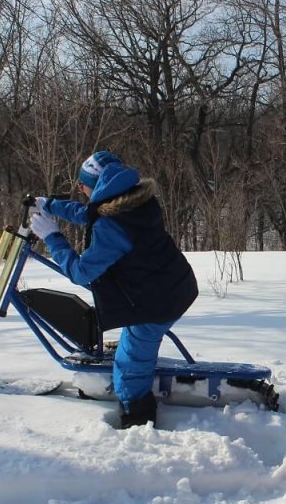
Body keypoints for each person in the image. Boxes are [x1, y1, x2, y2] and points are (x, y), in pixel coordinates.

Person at [29, 151, 199, 428]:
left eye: (82, 183)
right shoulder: (130, 202)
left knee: (130, 365)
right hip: (171, 284)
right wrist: (50, 205)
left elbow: (81, 271)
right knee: (134, 343)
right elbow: (88, 213)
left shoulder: (113, 226)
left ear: (96, 186)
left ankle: (137, 418)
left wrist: (53, 237)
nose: (79, 188)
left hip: (156, 302)